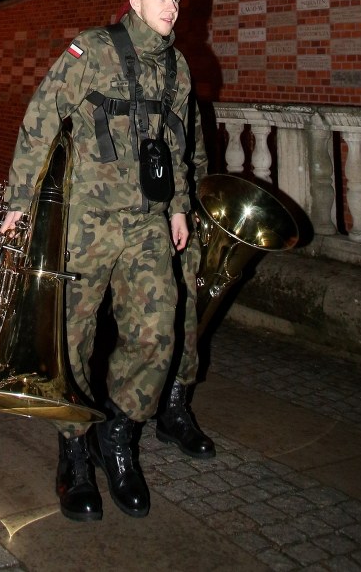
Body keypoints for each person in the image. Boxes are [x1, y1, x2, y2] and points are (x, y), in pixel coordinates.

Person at [1, 0, 193, 522]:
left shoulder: (177, 66)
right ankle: (74, 451)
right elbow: (42, 116)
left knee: (159, 330)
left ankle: (119, 435)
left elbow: (176, 143)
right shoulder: (93, 49)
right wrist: (20, 198)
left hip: (147, 223)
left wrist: (178, 207)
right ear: (134, 3)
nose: (172, 4)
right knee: (73, 337)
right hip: (88, 219)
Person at [153, 93, 217, 458]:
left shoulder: (181, 80)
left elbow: (196, 155)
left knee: (186, 312)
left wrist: (198, 210)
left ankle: (174, 408)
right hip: (121, 218)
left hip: (179, 220)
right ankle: (115, 419)